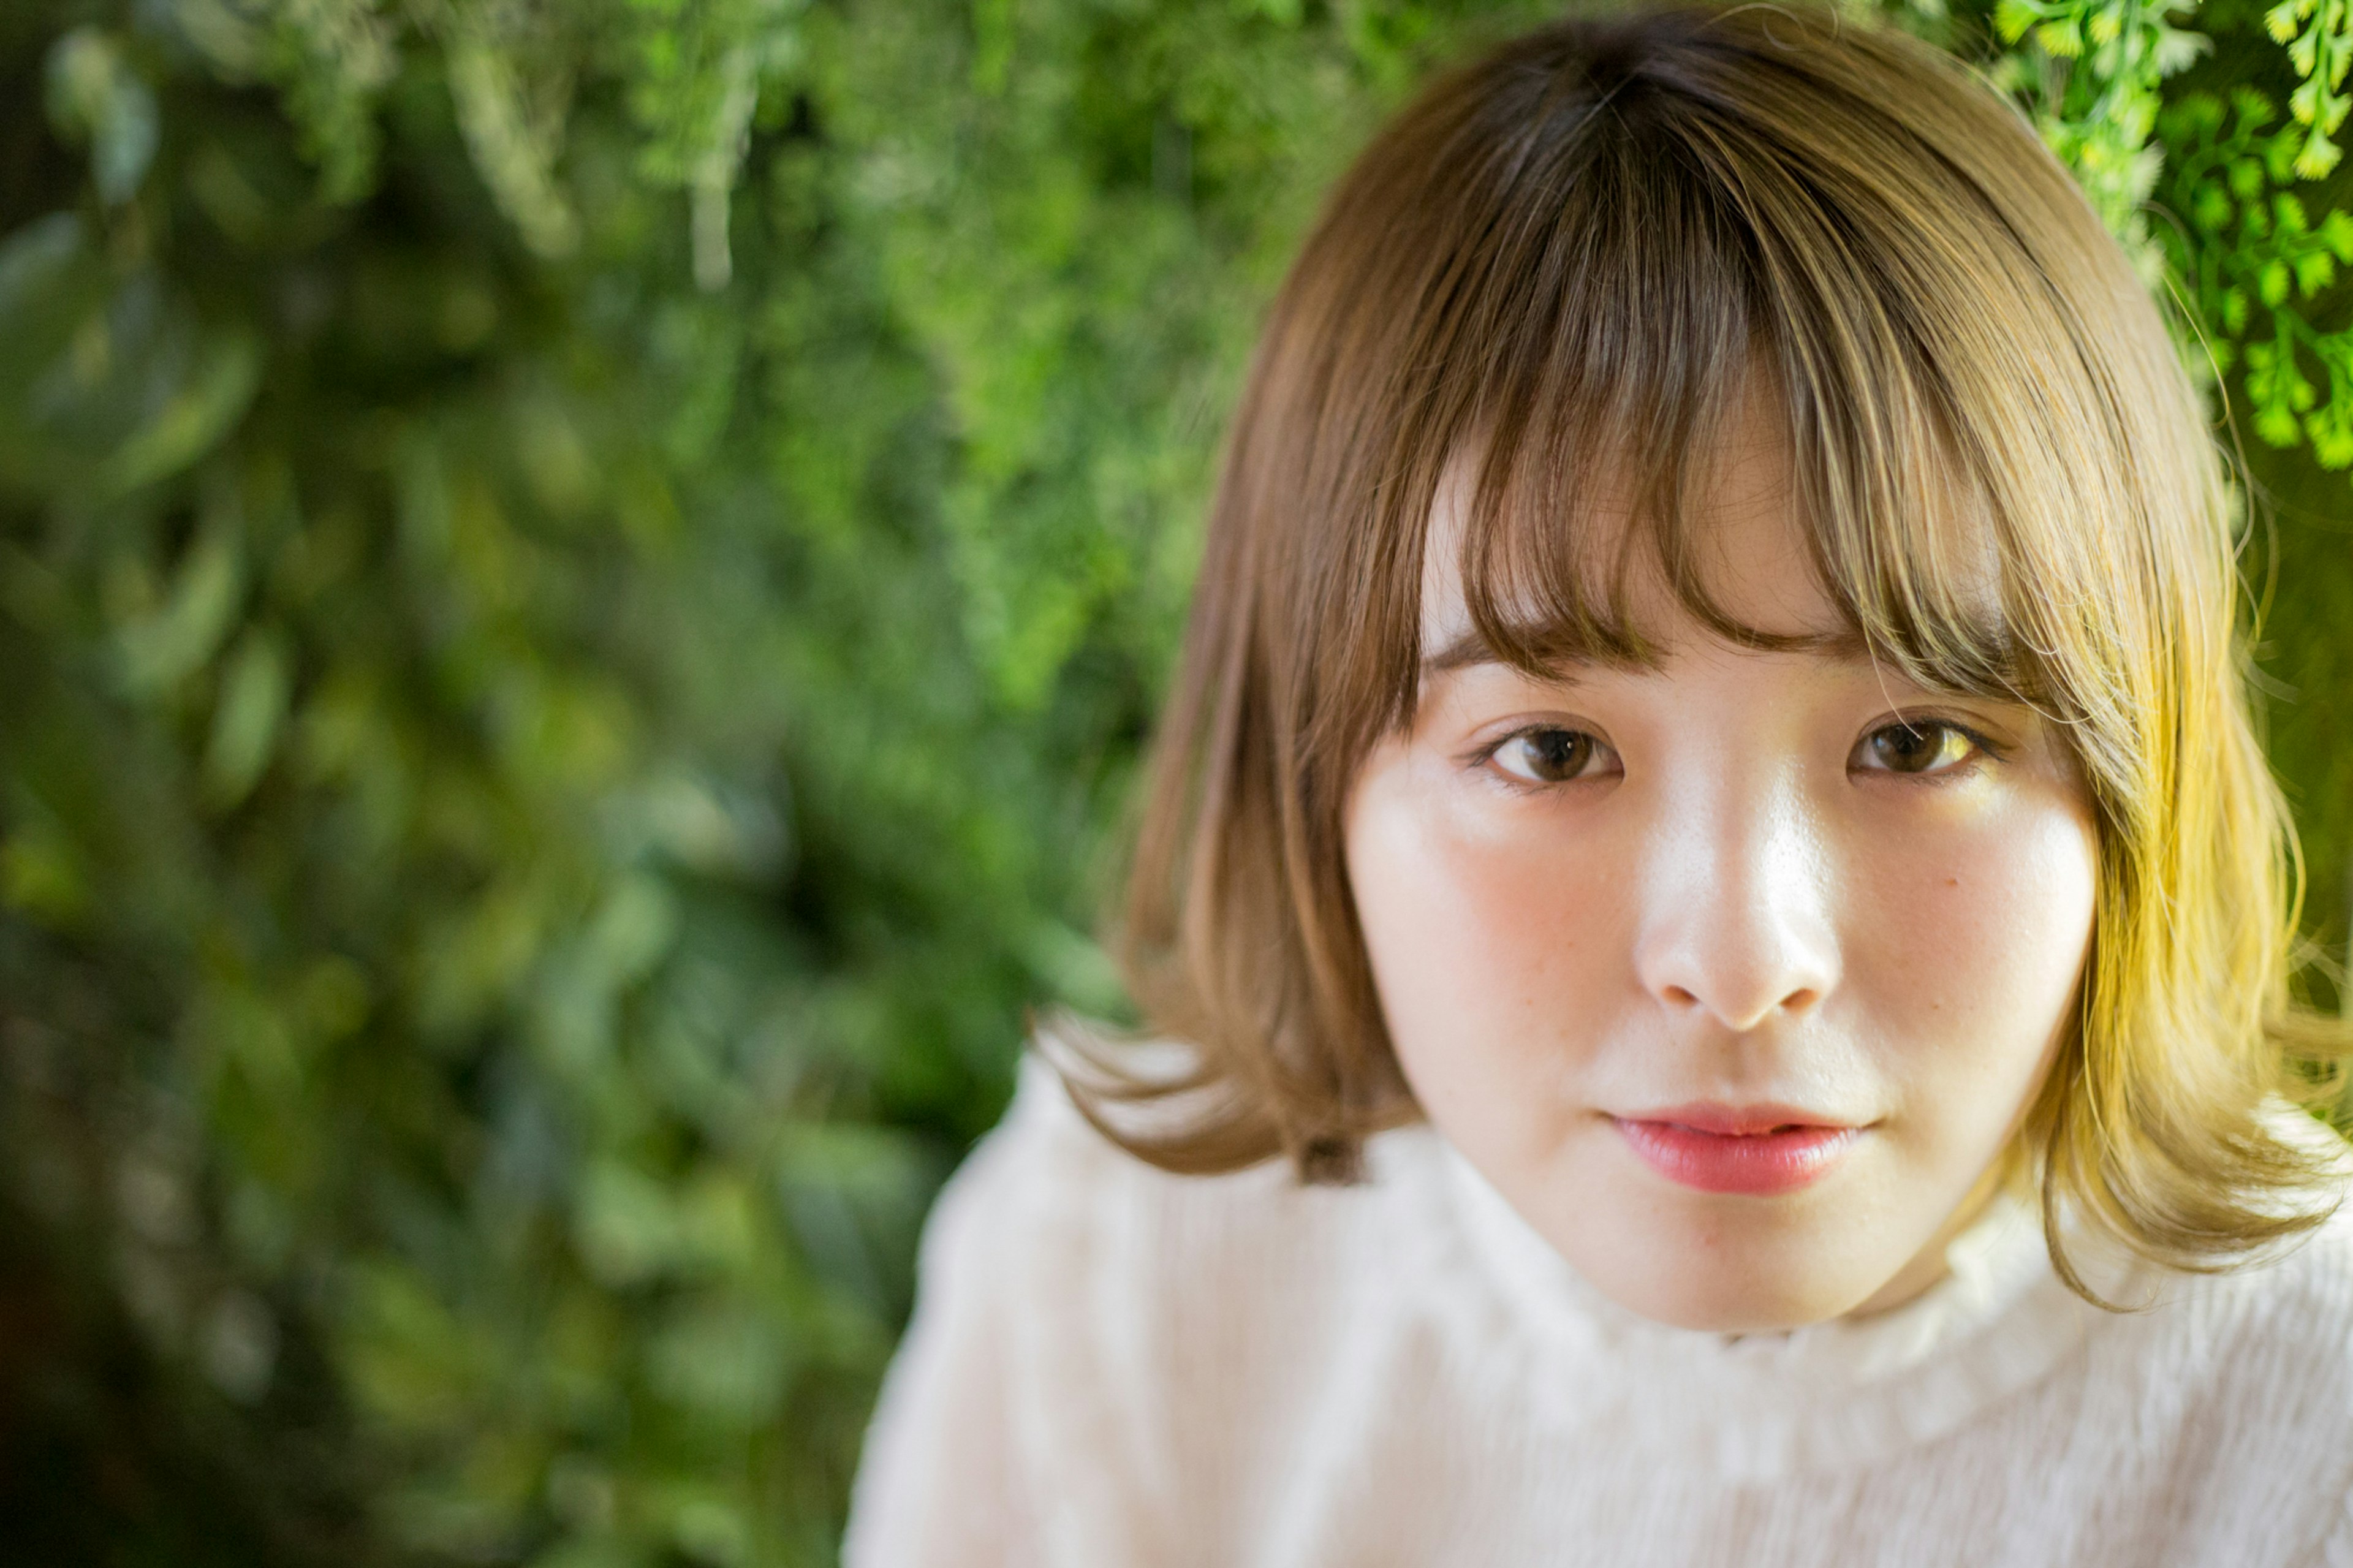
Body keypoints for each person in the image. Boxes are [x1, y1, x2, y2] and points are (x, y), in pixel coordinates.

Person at [843, 6, 2353, 1562]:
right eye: (1552, 750)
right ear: (1312, 787)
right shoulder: (1127, 1279)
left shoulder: (2314, 1416)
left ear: (2133, 771)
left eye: (1914, 741)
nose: (1745, 962)